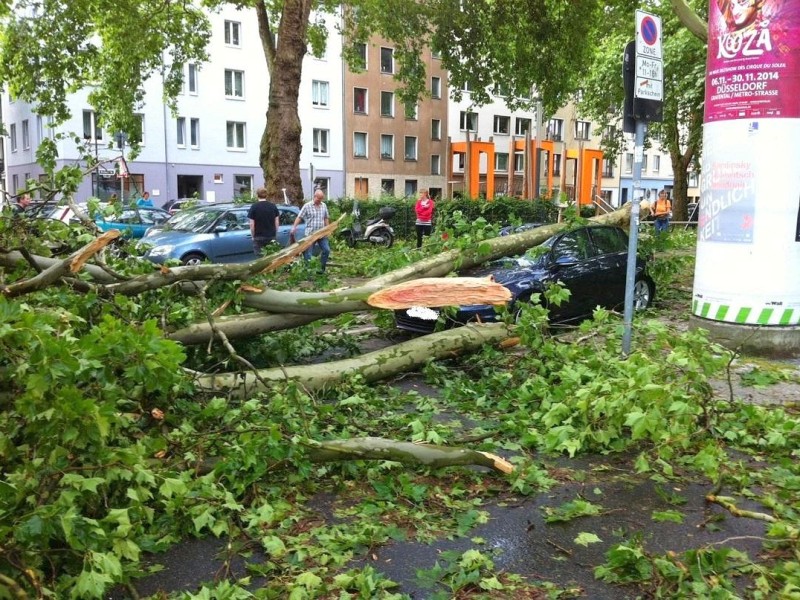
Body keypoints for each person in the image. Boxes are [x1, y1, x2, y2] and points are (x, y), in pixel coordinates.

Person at [291, 189, 330, 273]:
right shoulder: (307, 206)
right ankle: (309, 271)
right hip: (310, 234)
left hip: (321, 234)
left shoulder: (324, 205)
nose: (320, 201)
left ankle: (321, 269)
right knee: (308, 254)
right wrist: (294, 227)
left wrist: (328, 229)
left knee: (326, 250)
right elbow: (299, 217)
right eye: (318, 199)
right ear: (315, 196)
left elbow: (326, 218)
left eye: (321, 199)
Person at [247, 187, 280, 256]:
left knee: (260, 258)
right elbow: (276, 222)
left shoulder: (254, 207)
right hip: (271, 236)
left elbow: (252, 224)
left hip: (259, 237)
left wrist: (253, 236)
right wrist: (275, 233)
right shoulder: (273, 206)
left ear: (257, 195)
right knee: (271, 257)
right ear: (266, 195)